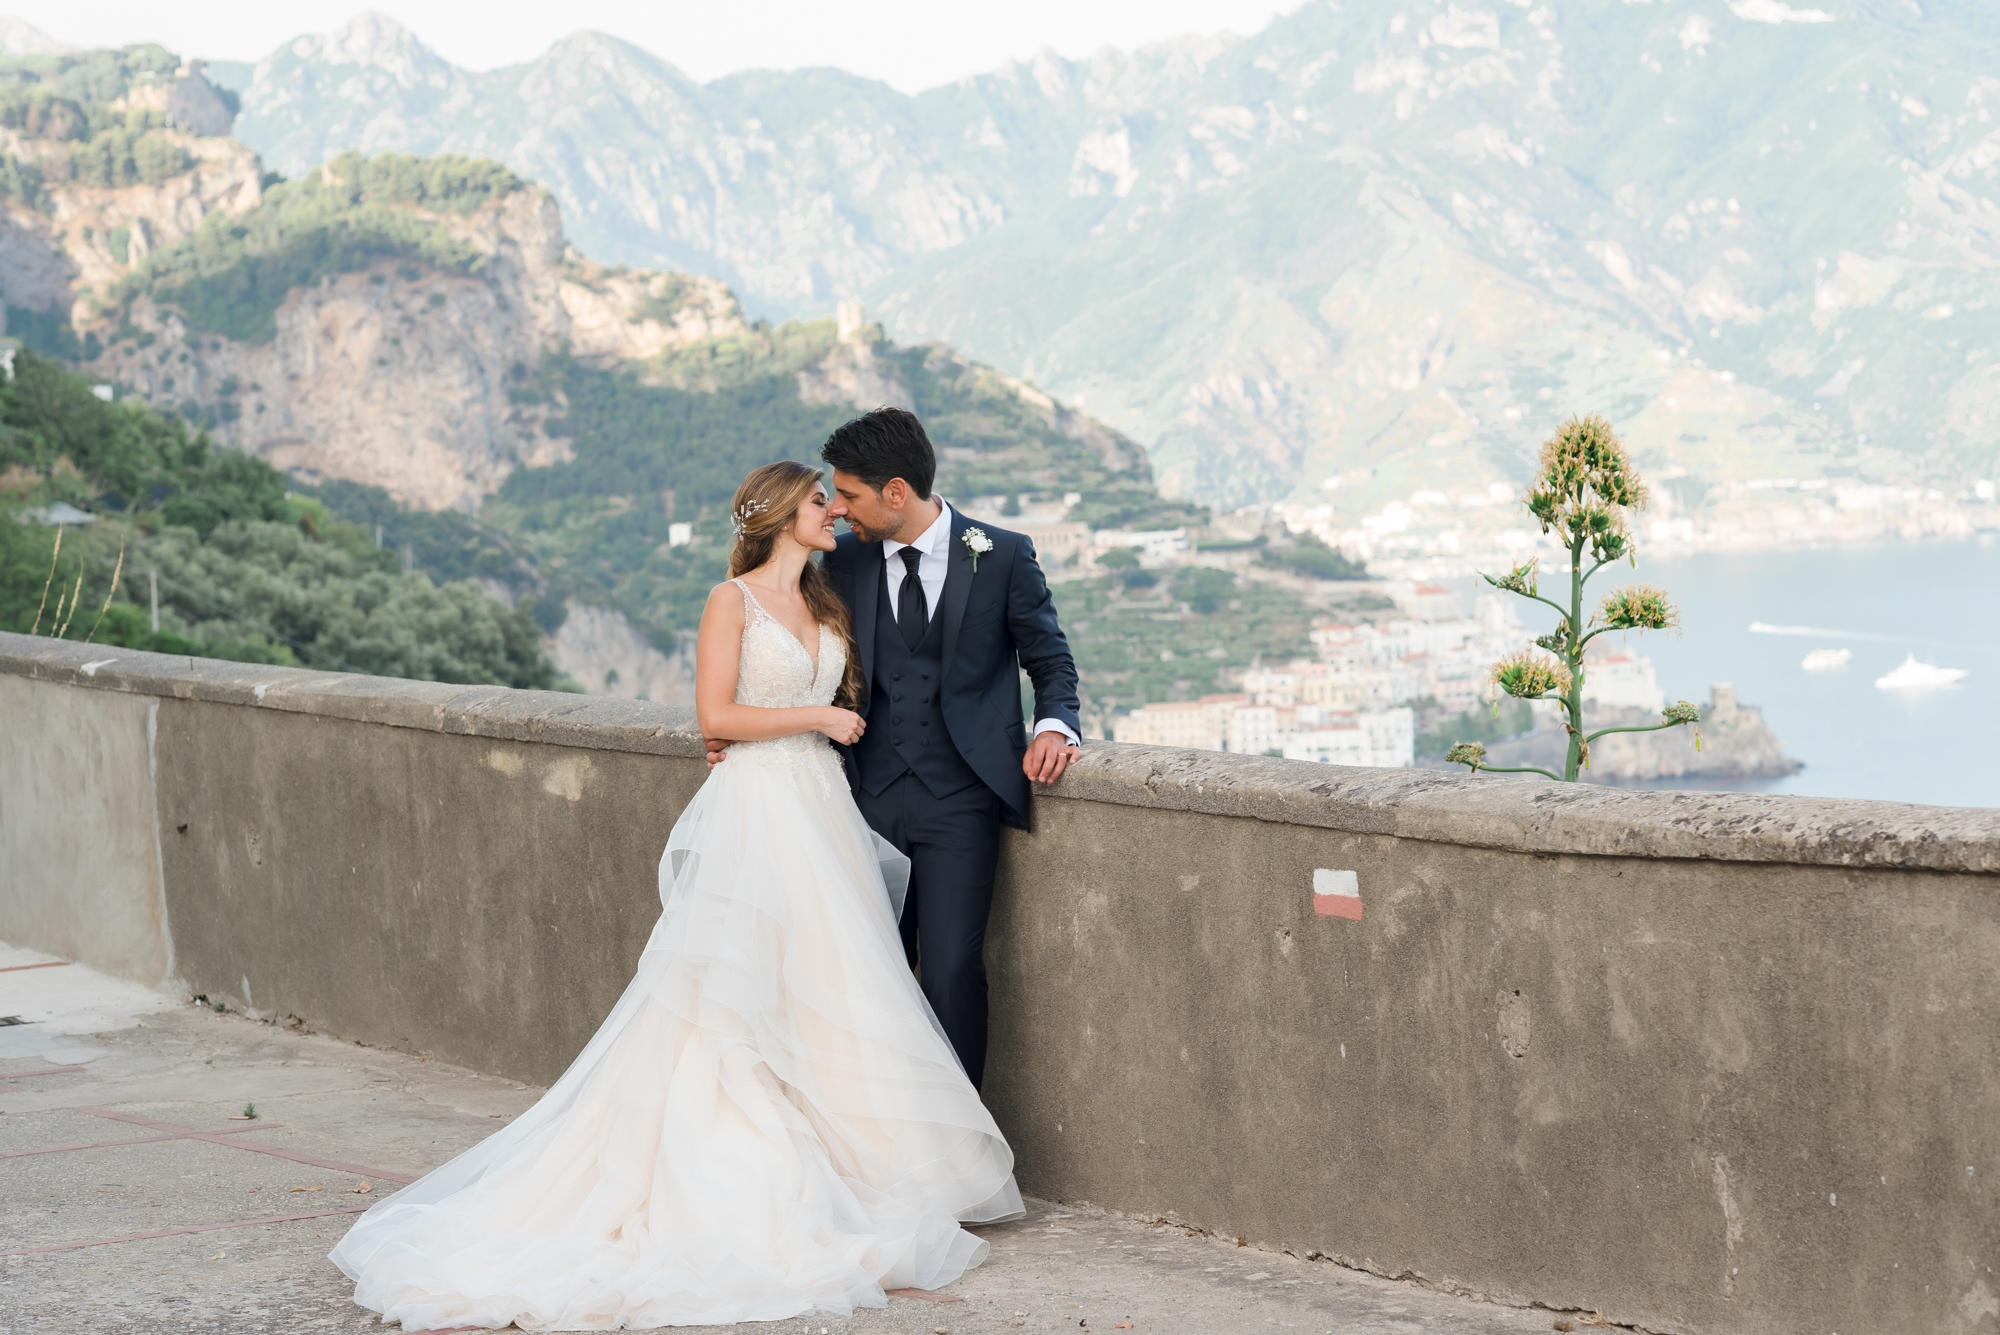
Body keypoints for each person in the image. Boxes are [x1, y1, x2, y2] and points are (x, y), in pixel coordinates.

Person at [330, 461, 1021, 1332]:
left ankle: (858, 1167)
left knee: (831, 986)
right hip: (759, 807)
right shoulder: (729, 601)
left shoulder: (830, 595)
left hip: (822, 814)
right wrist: (817, 718)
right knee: (736, 996)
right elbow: (714, 717)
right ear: (777, 513)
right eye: (819, 502)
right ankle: (736, 1166)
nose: (834, 514)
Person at [710, 407, 1083, 1091]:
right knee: (856, 973)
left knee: (949, 968)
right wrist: (744, 730)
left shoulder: (1001, 554)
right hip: (859, 800)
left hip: (960, 801)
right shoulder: (842, 557)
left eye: (847, 495)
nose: (837, 509)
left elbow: (1051, 662)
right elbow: (771, 631)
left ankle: (962, 1144)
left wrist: (1056, 725)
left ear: (895, 493)